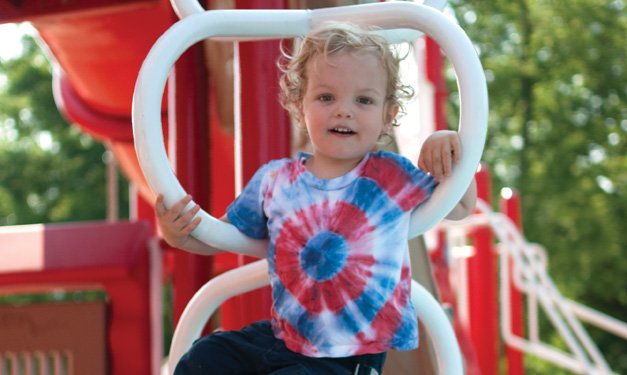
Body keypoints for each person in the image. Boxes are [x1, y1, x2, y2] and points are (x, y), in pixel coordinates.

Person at [156, 22, 477, 375]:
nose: (344, 110)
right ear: (299, 104)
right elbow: (220, 236)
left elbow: (459, 207)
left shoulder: (390, 177)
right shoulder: (275, 181)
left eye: (364, 100)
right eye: (326, 97)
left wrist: (450, 150)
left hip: (349, 358)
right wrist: (178, 234)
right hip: (282, 338)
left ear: (388, 115)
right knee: (205, 357)